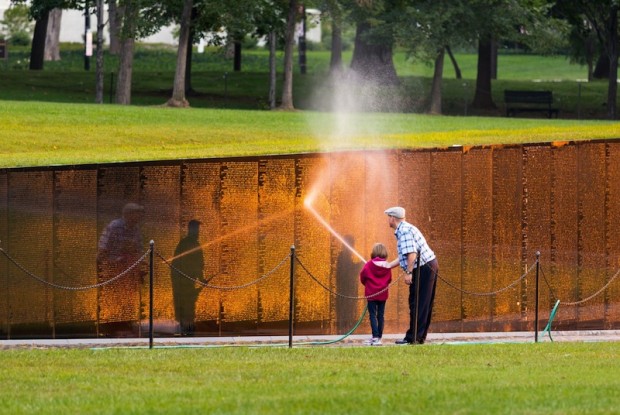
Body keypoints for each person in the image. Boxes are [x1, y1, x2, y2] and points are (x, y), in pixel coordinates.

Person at [384, 206, 439, 345]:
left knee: (418, 303)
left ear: (393, 218)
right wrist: (389, 265)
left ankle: (414, 337)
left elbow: (412, 254)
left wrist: (408, 273)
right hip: (427, 265)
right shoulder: (405, 229)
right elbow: (406, 254)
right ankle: (418, 337)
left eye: (388, 216)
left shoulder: (404, 231)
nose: (387, 219)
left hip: (423, 267)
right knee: (421, 302)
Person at [97, 202, 146, 337]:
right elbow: (103, 247)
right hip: (115, 269)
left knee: (129, 298)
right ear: (128, 214)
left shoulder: (135, 229)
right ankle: (111, 327)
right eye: (137, 213)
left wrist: (141, 264)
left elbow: (139, 248)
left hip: (129, 270)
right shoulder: (114, 227)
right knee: (114, 298)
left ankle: (126, 323)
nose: (140, 216)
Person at [171, 219, 205, 336]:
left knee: (186, 307)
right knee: (188, 308)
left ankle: (185, 329)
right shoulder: (189, 244)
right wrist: (201, 279)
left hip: (186, 282)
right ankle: (187, 330)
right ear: (192, 230)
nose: (198, 232)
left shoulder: (185, 243)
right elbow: (197, 264)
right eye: (197, 229)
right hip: (185, 283)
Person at [359, 243, 392, 346]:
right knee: (380, 315)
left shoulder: (368, 265)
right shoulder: (387, 265)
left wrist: (368, 285)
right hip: (383, 294)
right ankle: (379, 337)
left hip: (371, 294)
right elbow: (389, 279)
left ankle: (375, 337)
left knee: (372, 315)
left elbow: (362, 277)